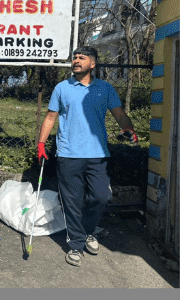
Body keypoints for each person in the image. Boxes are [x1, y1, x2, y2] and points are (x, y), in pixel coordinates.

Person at [36, 46, 138, 266]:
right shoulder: (62, 88)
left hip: (97, 154)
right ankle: (75, 245)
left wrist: (128, 129)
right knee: (72, 202)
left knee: (101, 196)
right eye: (74, 57)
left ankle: (88, 230)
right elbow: (50, 117)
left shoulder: (105, 89)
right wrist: (41, 143)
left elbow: (119, 114)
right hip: (68, 154)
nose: (76, 60)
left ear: (93, 64)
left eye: (82, 58)